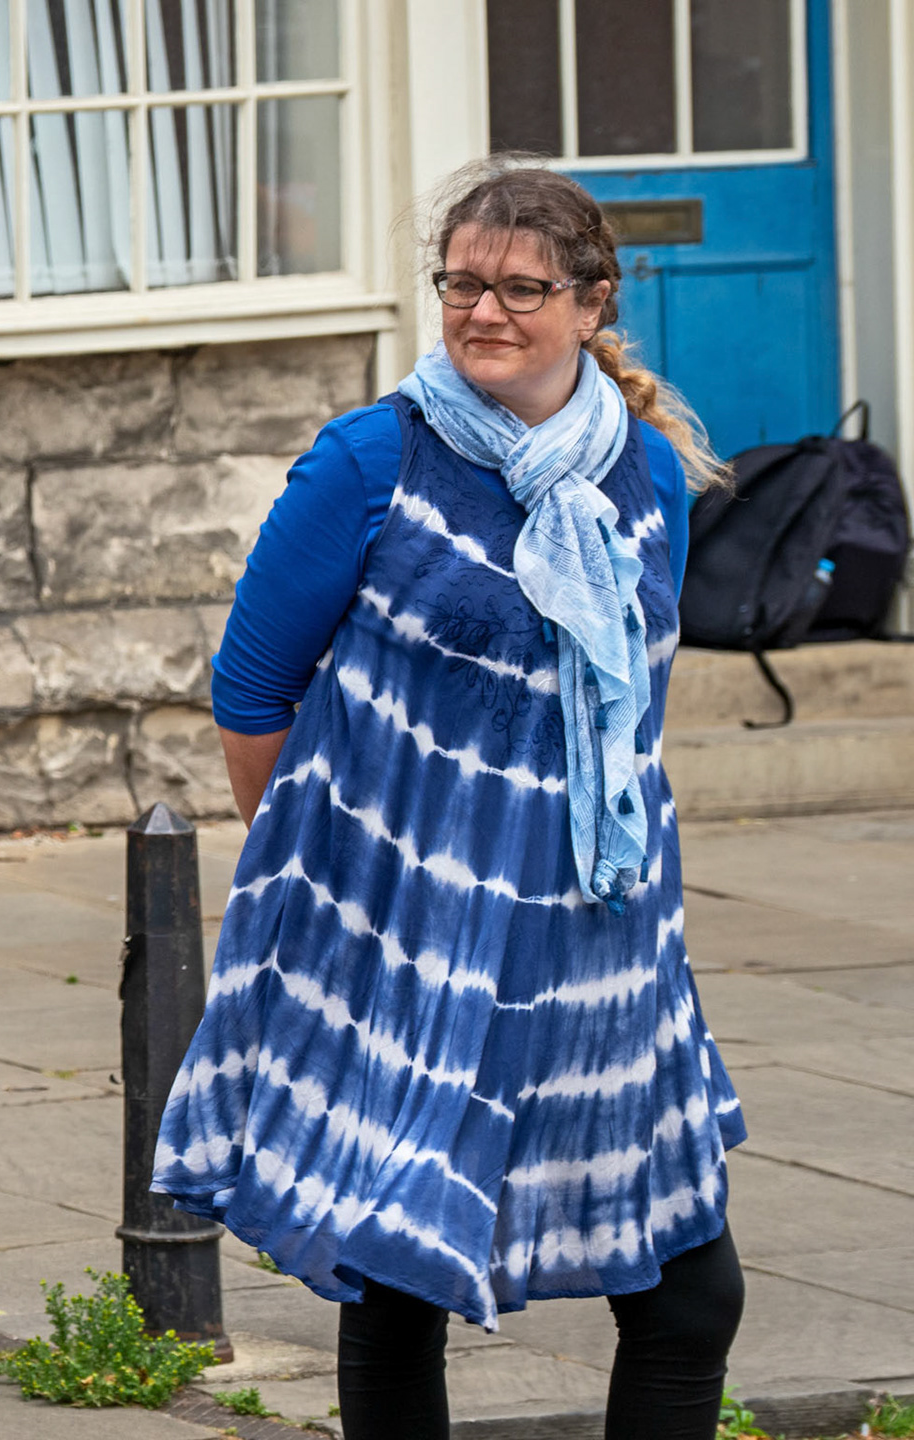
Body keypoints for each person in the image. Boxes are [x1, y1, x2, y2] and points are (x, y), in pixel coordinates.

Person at [152, 160, 744, 1440]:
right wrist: (337, 866)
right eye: (461, 283)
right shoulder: (373, 459)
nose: (484, 311)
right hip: (411, 932)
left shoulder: (643, 474)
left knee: (690, 1291)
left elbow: (632, 706)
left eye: (521, 289)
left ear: (591, 306)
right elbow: (254, 692)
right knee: (401, 1271)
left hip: (602, 942)